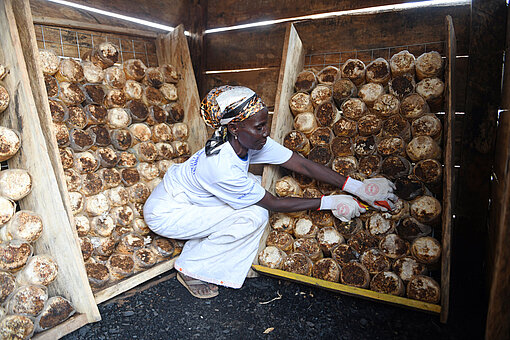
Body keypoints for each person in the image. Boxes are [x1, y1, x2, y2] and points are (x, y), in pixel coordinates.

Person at [144, 85, 397, 299]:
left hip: (192, 200)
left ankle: (209, 244)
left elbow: (299, 163)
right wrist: (329, 202)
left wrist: (357, 187)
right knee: (254, 216)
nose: (265, 132)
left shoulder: (247, 138)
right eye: (259, 127)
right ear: (234, 128)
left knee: (253, 184)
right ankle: (191, 267)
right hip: (168, 212)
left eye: (265, 124)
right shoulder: (221, 165)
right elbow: (274, 204)